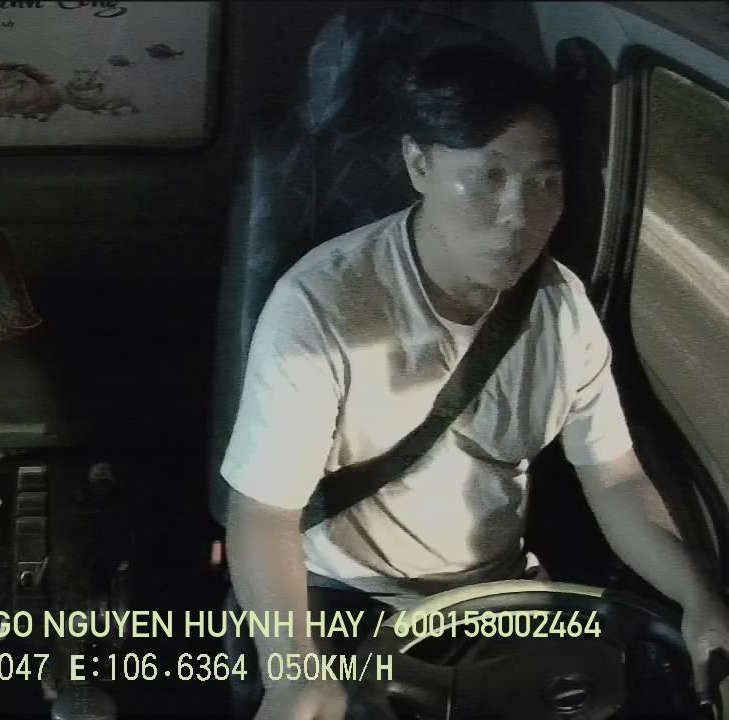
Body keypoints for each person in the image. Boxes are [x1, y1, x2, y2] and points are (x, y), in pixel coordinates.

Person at [220, 44, 729, 719]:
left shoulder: (561, 310)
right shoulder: (324, 308)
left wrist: (699, 596)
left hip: (498, 598)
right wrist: (294, 671)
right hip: (348, 597)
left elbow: (614, 479)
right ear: (419, 164)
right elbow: (263, 513)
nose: (519, 215)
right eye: (488, 177)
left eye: (544, 182)